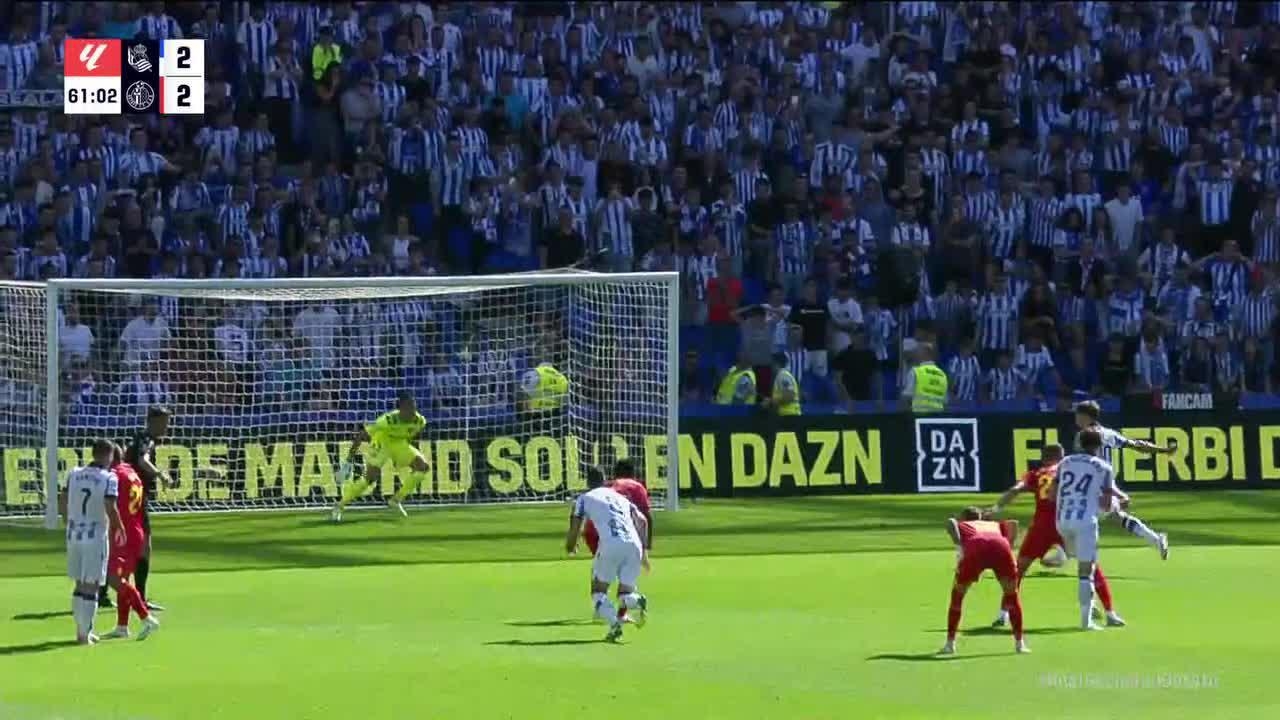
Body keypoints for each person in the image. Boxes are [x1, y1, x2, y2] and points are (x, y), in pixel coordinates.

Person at [988, 444, 1125, 629]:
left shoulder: (1034, 474)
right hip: (1066, 522)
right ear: (1061, 456)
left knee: (1018, 570)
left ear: (1043, 457)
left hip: (1041, 528)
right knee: (1090, 567)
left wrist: (996, 508)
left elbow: (1015, 490)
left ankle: (1003, 613)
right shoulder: (1069, 470)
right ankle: (1110, 613)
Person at [1073, 401, 1171, 559]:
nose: (1075, 417)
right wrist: (1162, 450)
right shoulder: (1108, 433)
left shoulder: (1082, 436)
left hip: (1092, 484)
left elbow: (1082, 461)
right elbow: (1137, 445)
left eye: (1077, 414)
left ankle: (1066, 555)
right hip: (1106, 482)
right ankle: (1156, 539)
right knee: (1116, 516)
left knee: (1076, 517)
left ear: (1085, 416)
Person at [565, 473, 651, 643]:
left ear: (588, 482)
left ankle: (614, 624)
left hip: (610, 544)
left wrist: (571, 546)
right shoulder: (621, 497)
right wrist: (643, 551)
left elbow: (576, 524)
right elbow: (642, 521)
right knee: (624, 595)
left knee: (598, 592)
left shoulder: (584, 498)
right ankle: (637, 600)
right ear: (605, 481)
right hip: (634, 545)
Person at [1056, 429, 1127, 630]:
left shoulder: (1065, 462)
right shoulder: (1103, 467)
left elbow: (1053, 493)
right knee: (1086, 571)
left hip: (1062, 520)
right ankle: (1086, 621)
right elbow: (1105, 504)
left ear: (1079, 443)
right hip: (1085, 522)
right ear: (1099, 445)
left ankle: (1063, 554)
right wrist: (1116, 507)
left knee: (1078, 558)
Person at [60, 439, 123, 645]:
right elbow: (110, 506)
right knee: (92, 585)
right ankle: (83, 635)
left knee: (79, 583)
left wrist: (66, 520)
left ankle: (82, 629)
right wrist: (119, 527)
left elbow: (63, 499)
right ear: (109, 455)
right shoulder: (109, 478)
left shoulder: (74, 473)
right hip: (95, 535)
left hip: (73, 533)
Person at [941, 506, 1028, 655]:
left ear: (964, 517)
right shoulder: (994, 525)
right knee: (1011, 595)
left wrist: (959, 545)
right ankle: (1020, 644)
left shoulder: (964, 524)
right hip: (1001, 546)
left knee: (958, 595)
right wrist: (1009, 546)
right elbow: (1013, 523)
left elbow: (950, 522)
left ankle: (950, 644)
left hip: (976, 546)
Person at [111, 405, 172, 611]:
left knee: (122, 546)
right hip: (134, 500)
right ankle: (140, 597)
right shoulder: (146, 439)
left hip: (130, 498)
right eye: (164, 422)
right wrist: (160, 475)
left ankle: (103, 592)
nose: (166, 426)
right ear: (153, 422)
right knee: (143, 547)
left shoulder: (140, 438)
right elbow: (142, 460)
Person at [332, 390, 429, 521]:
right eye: (408, 408)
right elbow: (362, 435)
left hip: (399, 444)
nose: (412, 411)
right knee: (370, 478)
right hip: (381, 443)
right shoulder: (387, 420)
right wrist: (349, 459)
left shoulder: (420, 421)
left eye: (413, 407)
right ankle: (339, 505)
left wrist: (403, 456)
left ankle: (396, 500)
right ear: (400, 409)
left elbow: (407, 436)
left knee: (422, 467)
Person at [582, 460, 654, 625]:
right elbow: (645, 518)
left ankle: (603, 609)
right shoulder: (637, 487)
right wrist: (646, 549)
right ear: (634, 473)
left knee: (601, 574)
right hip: (628, 534)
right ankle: (622, 611)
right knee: (625, 577)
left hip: (598, 532)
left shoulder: (608, 487)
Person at [100, 446, 161, 640]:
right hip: (136, 530)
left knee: (114, 578)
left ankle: (146, 618)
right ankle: (122, 626)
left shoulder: (115, 476)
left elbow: (111, 503)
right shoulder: (132, 472)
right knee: (123, 576)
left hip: (123, 533)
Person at [903, 342, 948, 413]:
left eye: (917, 352)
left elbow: (907, 397)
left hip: (919, 416)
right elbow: (945, 401)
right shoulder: (942, 375)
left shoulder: (915, 371)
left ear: (925, 354)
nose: (915, 355)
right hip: (937, 418)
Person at [762, 351, 801, 415]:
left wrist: (770, 402)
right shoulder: (782, 375)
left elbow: (789, 396)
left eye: (772, 363)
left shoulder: (783, 375)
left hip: (789, 415)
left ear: (776, 363)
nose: (770, 366)